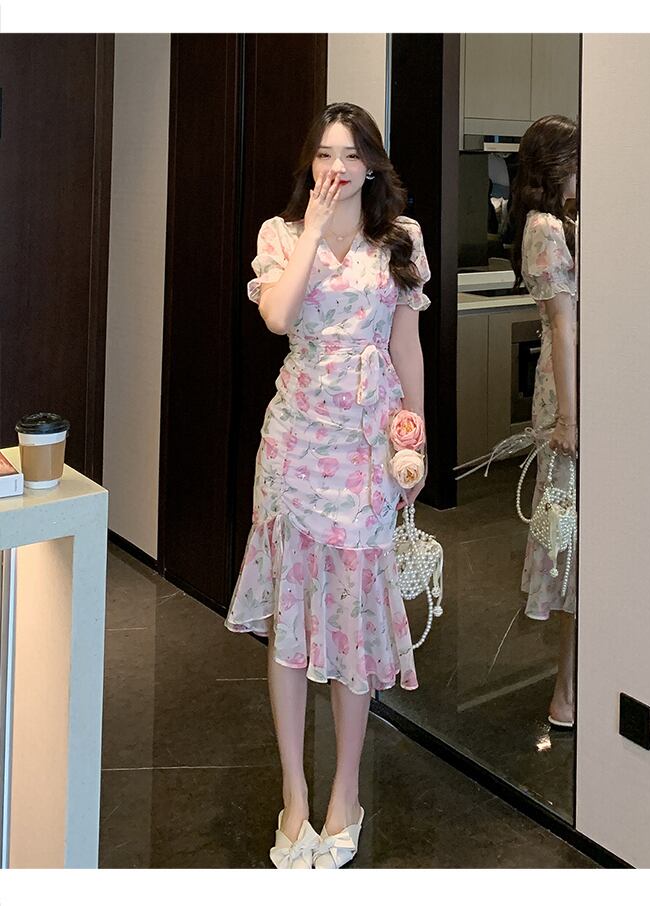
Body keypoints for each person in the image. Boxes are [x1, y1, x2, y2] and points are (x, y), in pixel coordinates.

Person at [224, 102, 431, 868]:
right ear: (309, 163)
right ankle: (295, 794)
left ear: (371, 164)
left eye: (350, 154)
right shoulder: (281, 236)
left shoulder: (400, 239)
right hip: (297, 444)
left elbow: (406, 346)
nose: (336, 167)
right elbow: (278, 318)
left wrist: (415, 437)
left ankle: (345, 789)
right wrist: (312, 229)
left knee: (352, 617)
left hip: (369, 445)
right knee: (290, 617)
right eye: (323, 154)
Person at [509, 114, 579, 730]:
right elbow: (563, 324)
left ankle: (576, 683)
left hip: (574, 388)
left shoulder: (562, 222)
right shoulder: (545, 228)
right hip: (568, 395)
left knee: (578, 533)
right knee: (571, 536)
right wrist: (571, 417)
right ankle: (567, 688)